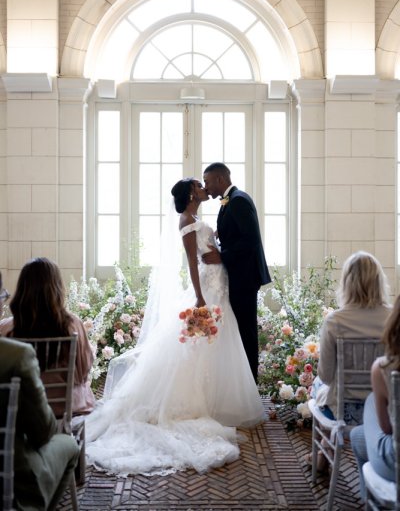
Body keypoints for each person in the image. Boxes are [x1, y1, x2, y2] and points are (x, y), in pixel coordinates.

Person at [84, 178, 265, 476]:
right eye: (199, 184)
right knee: (204, 344)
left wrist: (217, 240)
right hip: (207, 285)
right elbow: (193, 263)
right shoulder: (185, 220)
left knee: (217, 343)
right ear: (192, 193)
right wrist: (197, 295)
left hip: (220, 282)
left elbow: (207, 249)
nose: (204, 187)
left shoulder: (196, 218)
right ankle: (199, 402)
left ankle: (217, 399)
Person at [0, 271, 80, 511]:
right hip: (14, 473)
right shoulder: (14, 356)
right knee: (69, 444)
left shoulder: (7, 330)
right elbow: (43, 432)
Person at [307, 251, 390, 471]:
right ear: (378, 281)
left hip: (344, 410)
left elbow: (325, 375)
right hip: (386, 408)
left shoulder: (336, 321)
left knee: (318, 386)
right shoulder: (393, 319)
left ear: (347, 283)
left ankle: (326, 447)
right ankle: (327, 447)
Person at [0, 257, 95, 416]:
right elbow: (84, 371)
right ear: (57, 288)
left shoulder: (5, 328)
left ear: (22, 289)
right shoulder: (73, 325)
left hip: (20, 409)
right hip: (65, 407)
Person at [202, 162, 271, 382]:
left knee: (246, 332)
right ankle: (242, 382)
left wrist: (222, 256)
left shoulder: (239, 200)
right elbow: (238, 235)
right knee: (239, 330)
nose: (207, 187)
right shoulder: (230, 201)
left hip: (245, 277)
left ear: (220, 180)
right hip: (238, 275)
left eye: (208, 182)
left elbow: (250, 241)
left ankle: (251, 384)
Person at [350, 293, 400, 500]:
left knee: (370, 403)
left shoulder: (385, 368)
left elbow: (387, 428)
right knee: (357, 435)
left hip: (395, 464)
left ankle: (370, 500)